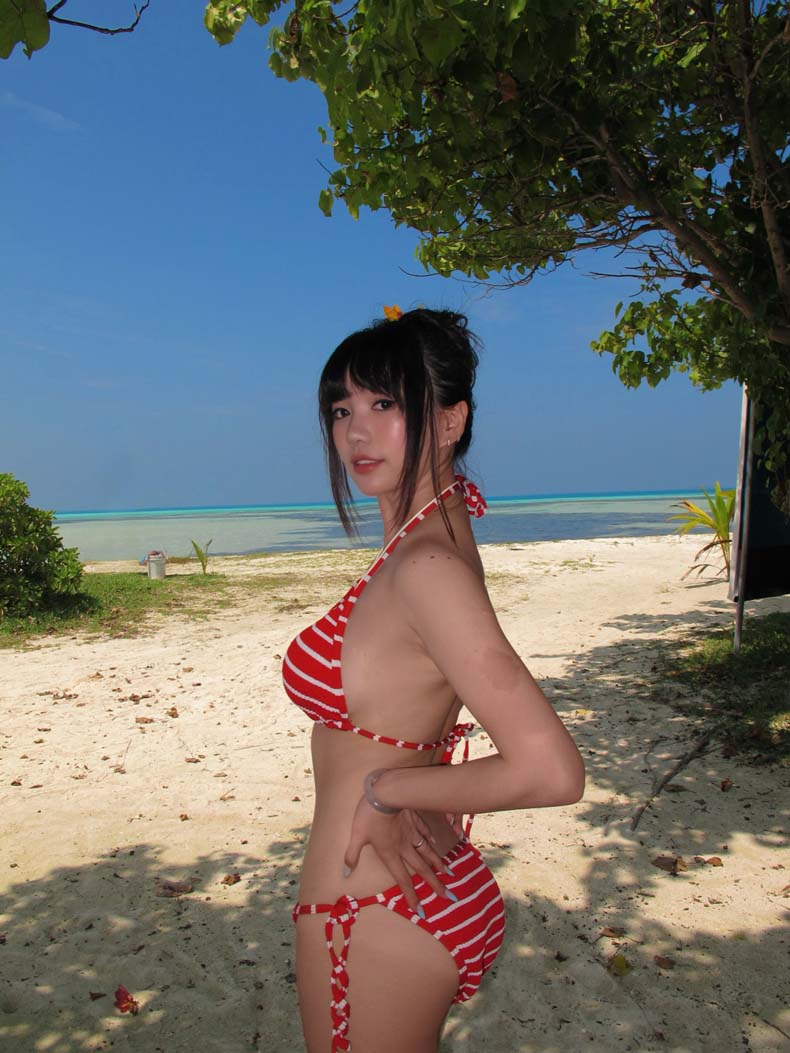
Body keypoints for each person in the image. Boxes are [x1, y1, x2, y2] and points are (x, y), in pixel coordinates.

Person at [283, 307, 585, 1052]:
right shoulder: (436, 537)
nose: (356, 433)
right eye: (342, 409)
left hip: (373, 908)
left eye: (385, 404)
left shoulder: (425, 566)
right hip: (414, 882)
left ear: (450, 421)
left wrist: (388, 790)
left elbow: (551, 770)